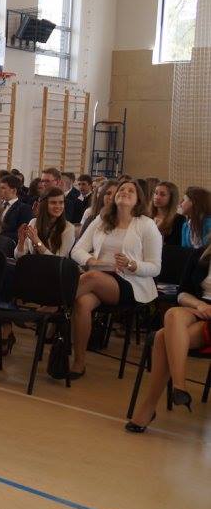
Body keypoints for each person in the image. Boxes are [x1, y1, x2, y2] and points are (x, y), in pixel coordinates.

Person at [69, 179, 162, 377]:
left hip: (131, 283)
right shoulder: (102, 219)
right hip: (99, 277)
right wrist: (90, 260)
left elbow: (155, 268)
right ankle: (79, 362)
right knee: (82, 303)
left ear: (138, 200)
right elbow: (77, 250)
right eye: (122, 189)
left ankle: (55, 304)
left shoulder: (147, 225)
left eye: (131, 191)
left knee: (91, 277)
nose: (125, 192)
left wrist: (133, 264)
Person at [125, 245, 211, 433]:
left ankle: (149, 407)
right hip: (199, 308)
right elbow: (182, 293)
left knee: (162, 337)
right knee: (172, 314)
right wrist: (199, 305)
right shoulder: (202, 253)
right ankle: (179, 386)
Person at [16, 187, 77, 258]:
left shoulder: (68, 228)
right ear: (44, 205)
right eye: (53, 203)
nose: (58, 206)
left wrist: (37, 242)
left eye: (61, 203)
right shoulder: (33, 222)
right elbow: (18, 257)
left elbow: (57, 260)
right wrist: (21, 241)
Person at [152, 180, 186, 247]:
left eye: (162, 195)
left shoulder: (179, 220)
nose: (157, 197)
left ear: (171, 198)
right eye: (156, 193)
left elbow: (177, 245)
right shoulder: (147, 216)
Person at [0, 174, 31, 243]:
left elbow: (22, 233)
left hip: (8, 244)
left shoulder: (24, 209)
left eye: (3, 188)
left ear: (13, 190)